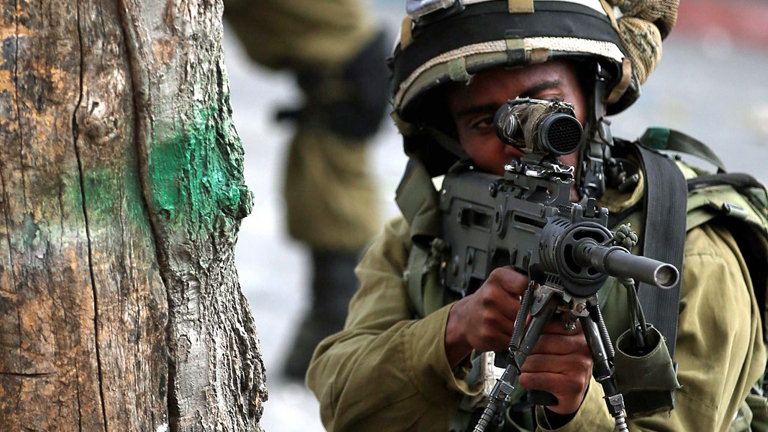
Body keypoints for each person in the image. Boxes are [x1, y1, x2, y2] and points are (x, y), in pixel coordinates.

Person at [307, 0, 768, 431]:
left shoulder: (696, 252)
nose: (520, 141)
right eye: (485, 123)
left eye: (550, 108)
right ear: (450, 137)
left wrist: (578, 408)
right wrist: (452, 333)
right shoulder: (427, 234)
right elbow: (342, 401)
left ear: (595, 99)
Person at [222, 0, 390, 380]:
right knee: (326, 199)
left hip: (348, 74)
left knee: (333, 205)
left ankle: (338, 331)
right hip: (345, 69)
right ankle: (334, 328)